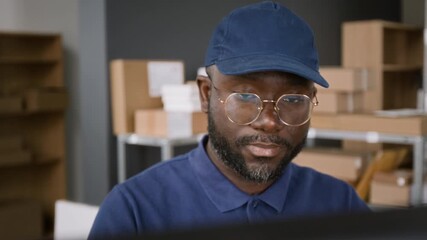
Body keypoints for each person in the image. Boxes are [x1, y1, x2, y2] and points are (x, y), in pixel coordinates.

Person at [89, 1, 369, 239]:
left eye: (293, 100)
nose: (269, 122)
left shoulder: (340, 205)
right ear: (206, 94)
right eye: (246, 98)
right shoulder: (136, 212)